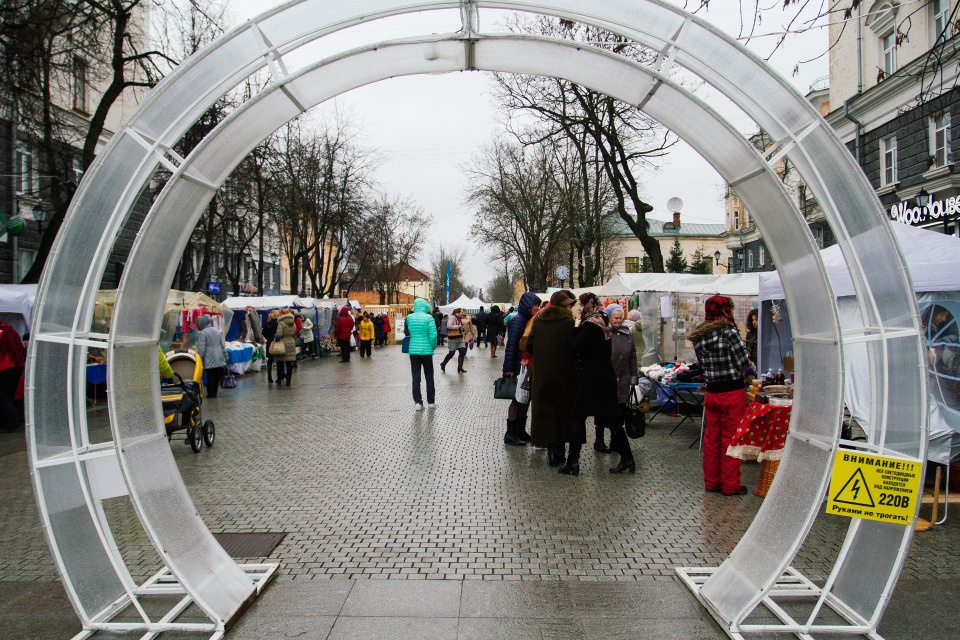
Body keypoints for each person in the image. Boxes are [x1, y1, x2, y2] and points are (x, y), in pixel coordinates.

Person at [687, 295, 750, 496]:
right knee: (730, 440)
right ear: (725, 311)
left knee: (711, 439)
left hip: (712, 393)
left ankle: (711, 482)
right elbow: (744, 361)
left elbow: (702, 366)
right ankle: (730, 485)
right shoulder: (729, 333)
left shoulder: (699, 337)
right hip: (732, 392)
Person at [561, 293, 629, 476]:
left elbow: (576, 347)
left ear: (588, 305)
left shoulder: (590, 325)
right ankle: (627, 457)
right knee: (612, 419)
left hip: (593, 376)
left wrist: (575, 328)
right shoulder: (603, 322)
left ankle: (573, 463)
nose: (579, 309)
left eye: (581, 305)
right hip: (604, 375)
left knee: (577, 416)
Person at [525, 290, 578, 468]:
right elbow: (575, 347)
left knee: (545, 413)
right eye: (570, 305)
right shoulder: (569, 322)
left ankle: (552, 452)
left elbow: (528, 345)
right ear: (564, 306)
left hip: (542, 376)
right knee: (563, 412)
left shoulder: (539, 321)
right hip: (565, 375)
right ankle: (561, 451)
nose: (571, 308)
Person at [501, 293, 541, 446]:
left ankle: (520, 431)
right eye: (534, 305)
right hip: (518, 367)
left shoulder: (529, 320)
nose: (537, 308)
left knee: (525, 398)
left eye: (538, 305)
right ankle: (510, 433)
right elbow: (511, 347)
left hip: (525, 366)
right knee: (517, 400)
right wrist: (509, 369)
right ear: (527, 305)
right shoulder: (518, 321)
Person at [606, 304, 638, 473]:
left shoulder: (628, 334)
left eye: (620, 318)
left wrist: (634, 378)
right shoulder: (605, 333)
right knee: (614, 423)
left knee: (616, 423)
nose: (618, 321)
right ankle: (626, 458)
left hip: (623, 383)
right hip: (609, 383)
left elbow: (632, 357)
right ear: (609, 317)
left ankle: (627, 459)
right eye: (615, 318)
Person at [405, 298, 438, 410]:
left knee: (415, 377)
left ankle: (418, 403)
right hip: (427, 351)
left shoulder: (409, 317)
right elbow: (433, 336)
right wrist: (432, 347)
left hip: (413, 350)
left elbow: (409, 332)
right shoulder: (429, 318)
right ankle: (431, 402)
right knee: (429, 376)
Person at [0, 322, 26, 433]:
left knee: (3, 398)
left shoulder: (3, 332)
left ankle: (12, 423)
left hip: (4, 368)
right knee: (8, 396)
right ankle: (10, 421)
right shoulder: (8, 329)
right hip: (16, 366)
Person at [195, 315, 227, 398]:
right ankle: (214, 393)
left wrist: (199, 359)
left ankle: (211, 394)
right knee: (216, 378)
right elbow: (222, 344)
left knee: (210, 377)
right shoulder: (216, 331)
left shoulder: (202, 333)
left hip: (210, 358)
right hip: (219, 357)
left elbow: (202, 348)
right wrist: (225, 356)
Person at [274, 309, 298, 385]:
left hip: (283, 343)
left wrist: (276, 339)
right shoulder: (293, 323)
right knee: (289, 362)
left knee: (280, 362)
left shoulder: (281, 323)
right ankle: (288, 381)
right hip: (291, 342)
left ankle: (280, 379)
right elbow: (295, 334)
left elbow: (278, 335)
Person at [440, 308, 468, 373]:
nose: (463, 313)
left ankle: (460, 367)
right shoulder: (452, 317)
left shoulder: (461, 318)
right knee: (451, 353)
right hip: (453, 338)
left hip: (460, 338)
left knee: (463, 351)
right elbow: (448, 326)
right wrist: (458, 326)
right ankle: (443, 364)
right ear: (458, 312)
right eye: (462, 312)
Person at [263, 310, 280, 383]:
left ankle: (269, 376)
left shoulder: (267, 323)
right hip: (276, 341)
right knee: (279, 359)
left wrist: (268, 338)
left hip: (269, 342)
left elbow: (263, 333)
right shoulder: (277, 323)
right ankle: (279, 376)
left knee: (270, 360)